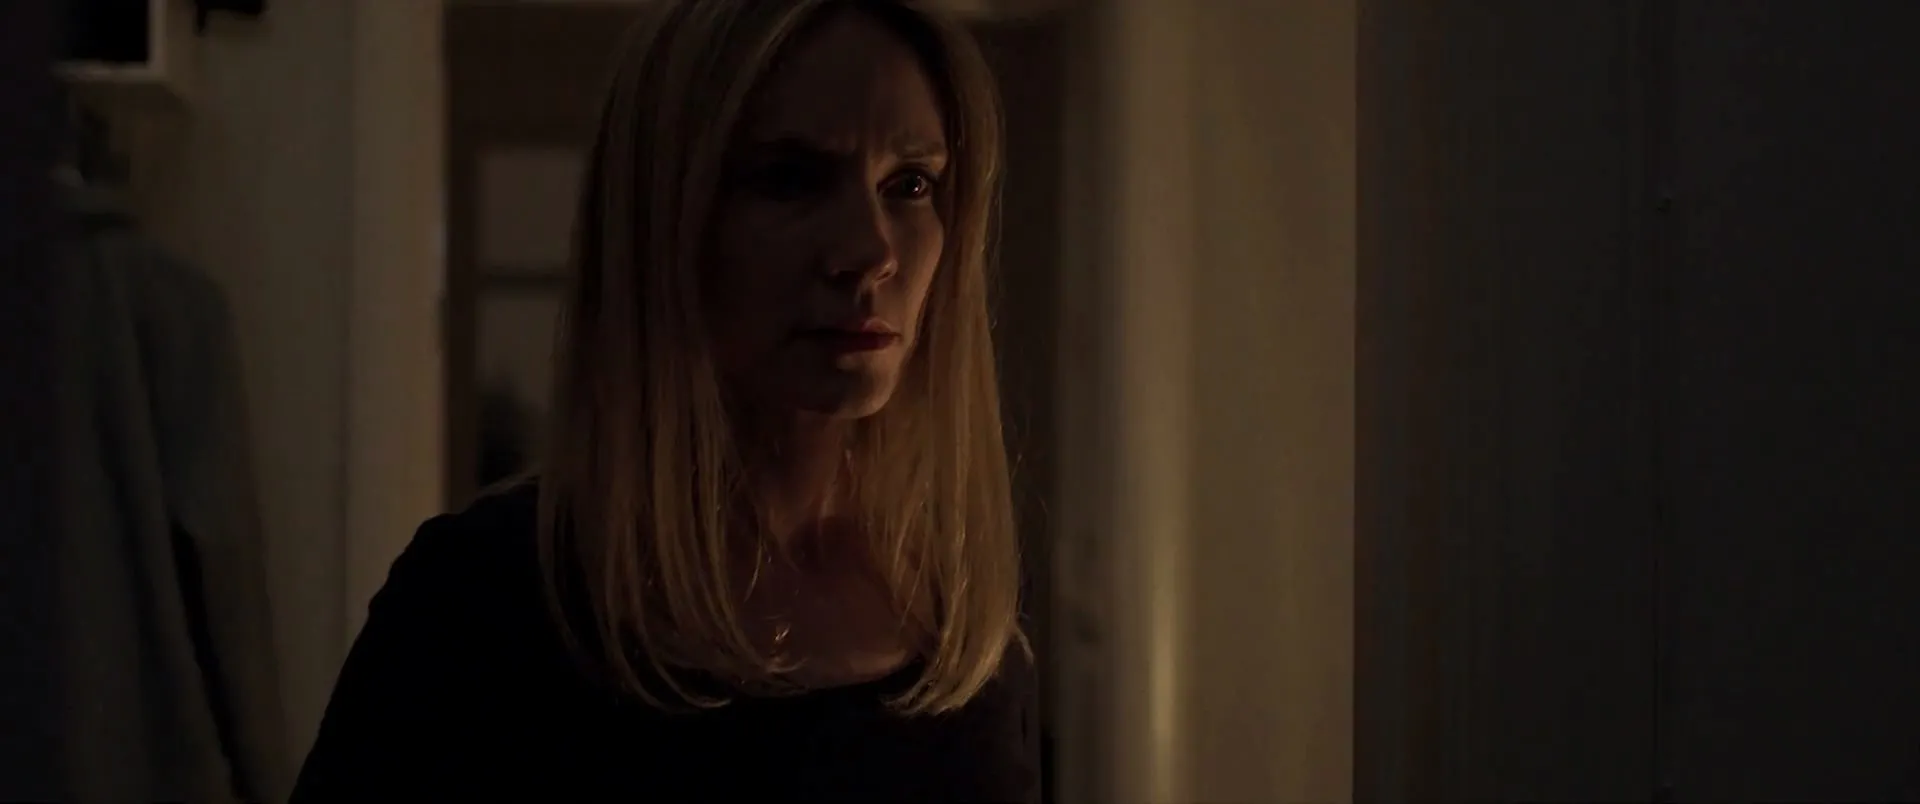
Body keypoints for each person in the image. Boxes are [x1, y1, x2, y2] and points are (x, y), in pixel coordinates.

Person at [291, 0, 1036, 801]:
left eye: (911, 184)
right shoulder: (481, 606)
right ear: (668, 215)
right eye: (791, 178)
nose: (870, 250)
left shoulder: (963, 640)